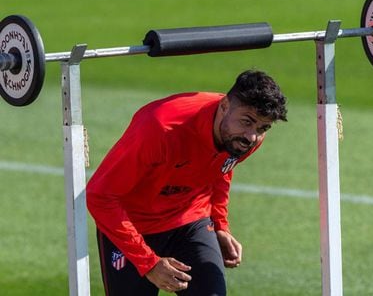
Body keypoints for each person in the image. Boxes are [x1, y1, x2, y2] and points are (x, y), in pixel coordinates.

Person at [86, 69, 287, 295]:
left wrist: (220, 224)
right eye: (247, 122)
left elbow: (222, 169)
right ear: (223, 106)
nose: (252, 136)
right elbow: (100, 196)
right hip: (133, 225)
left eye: (262, 128)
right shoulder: (160, 128)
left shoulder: (243, 138)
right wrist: (148, 262)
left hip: (191, 220)